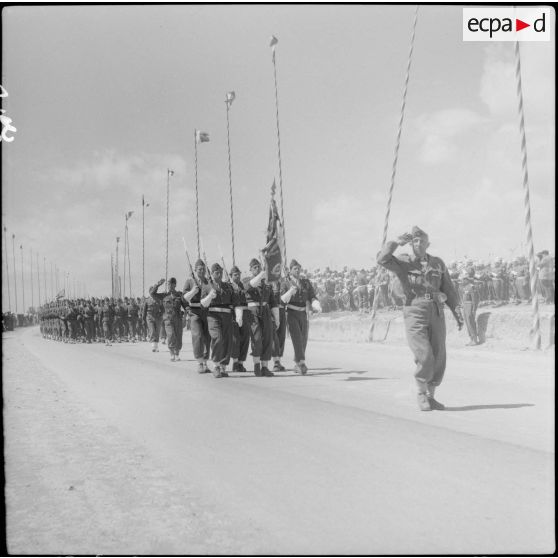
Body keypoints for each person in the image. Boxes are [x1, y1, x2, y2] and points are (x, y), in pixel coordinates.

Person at [377, 226, 463, 411]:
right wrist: (395, 243)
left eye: (422, 241)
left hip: (436, 310)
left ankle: (432, 396)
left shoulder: (437, 263)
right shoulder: (403, 261)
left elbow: (449, 289)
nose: (418, 244)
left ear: (428, 244)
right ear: (410, 243)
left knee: (439, 354)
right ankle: (421, 394)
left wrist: (458, 312)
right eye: (415, 241)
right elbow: (382, 259)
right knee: (424, 354)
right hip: (415, 309)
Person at [280, 259, 321, 374]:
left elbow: (312, 295)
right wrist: (289, 293)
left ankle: (297, 362)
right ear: (290, 270)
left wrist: (316, 304)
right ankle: (301, 363)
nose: (297, 271)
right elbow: (281, 301)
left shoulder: (305, 282)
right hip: (292, 313)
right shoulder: (285, 282)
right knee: (297, 338)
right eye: (295, 269)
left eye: (299, 268)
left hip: (303, 313)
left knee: (303, 338)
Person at [242, 258, 279, 377]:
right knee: (256, 339)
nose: (257, 269)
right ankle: (256, 365)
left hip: (266, 311)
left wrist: (277, 318)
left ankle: (265, 367)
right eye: (254, 267)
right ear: (250, 269)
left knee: (268, 338)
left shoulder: (266, 283)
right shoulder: (247, 280)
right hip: (253, 311)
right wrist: (262, 274)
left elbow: (273, 302)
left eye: (258, 266)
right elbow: (250, 286)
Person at [200, 263, 236, 378]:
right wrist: (210, 296)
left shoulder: (228, 286)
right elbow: (203, 304)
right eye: (216, 272)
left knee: (227, 341)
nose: (219, 274)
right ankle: (216, 365)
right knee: (217, 338)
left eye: (220, 272)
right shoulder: (206, 286)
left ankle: (223, 367)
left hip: (226, 316)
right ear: (211, 273)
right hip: (213, 316)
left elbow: (234, 302)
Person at [150, 278, 188, 361]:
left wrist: (185, 318)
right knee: (170, 335)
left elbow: (186, 307)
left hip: (178, 318)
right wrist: (158, 284)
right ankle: (172, 354)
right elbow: (152, 294)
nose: (169, 286)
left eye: (171, 284)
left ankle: (177, 353)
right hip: (168, 319)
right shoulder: (164, 295)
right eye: (168, 284)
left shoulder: (179, 295)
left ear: (175, 285)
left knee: (178, 336)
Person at [183, 260, 211, 373]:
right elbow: (184, 298)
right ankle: (199, 362)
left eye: (203, 269)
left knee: (207, 338)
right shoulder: (190, 281)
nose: (202, 271)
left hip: (206, 311)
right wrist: (193, 292)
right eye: (199, 269)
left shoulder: (208, 281)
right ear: (195, 270)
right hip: (194, 312)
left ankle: (205, 362)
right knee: (197, 336)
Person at [229, 265, 250, 372]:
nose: (237, 276)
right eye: (235, 275)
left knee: (245, 337)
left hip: (245, 312)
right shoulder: (229, 286)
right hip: (234, 314)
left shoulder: (244, 285)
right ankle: (235, 362)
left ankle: (241, 362)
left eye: (239, 274)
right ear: (231, 276)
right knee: (235, 339)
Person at [460, 267, 480, 346]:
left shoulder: (472, 287)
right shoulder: (464, 287)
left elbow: (475, 299)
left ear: (467, 279)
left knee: (471, 322)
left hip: (470, 306)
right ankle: (471, 339)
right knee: (467, 323)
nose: (462, 281)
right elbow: (462, 297)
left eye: (463, 279)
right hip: (465, 306)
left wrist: (474, 309)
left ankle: (475, 340)